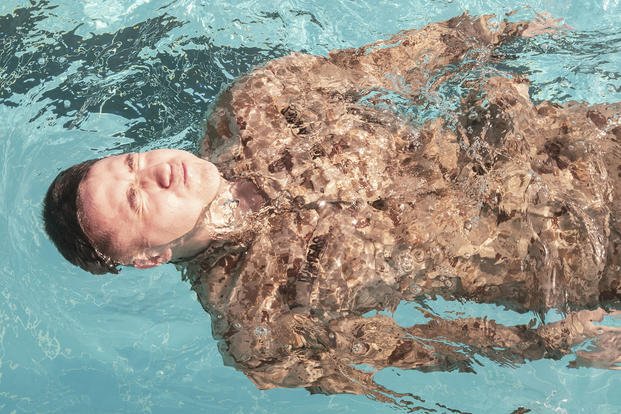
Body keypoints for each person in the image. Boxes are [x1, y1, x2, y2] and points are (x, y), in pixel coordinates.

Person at [44, 14, 620, 401]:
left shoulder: (252, 107)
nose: (155, 170)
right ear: (151, 256)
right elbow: (420, 351)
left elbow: (385, 64)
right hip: (571, 263)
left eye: (134, 161)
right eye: (137, 199)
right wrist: (549, 344)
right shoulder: (258, 325)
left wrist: (498, 31)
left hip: (573, 145)